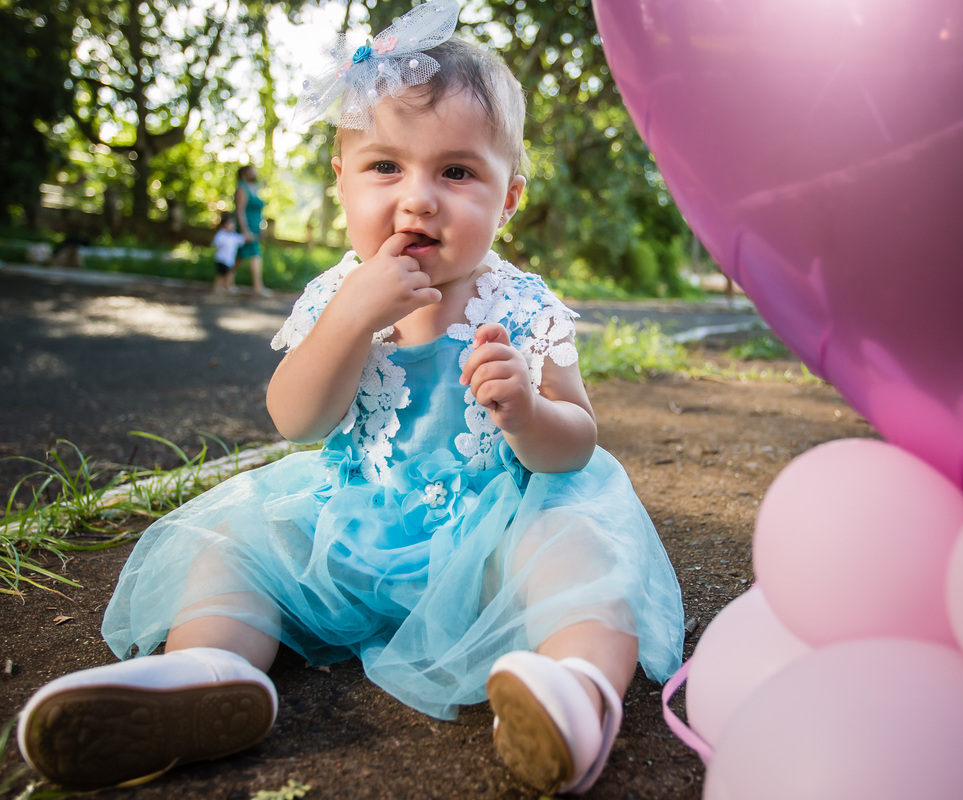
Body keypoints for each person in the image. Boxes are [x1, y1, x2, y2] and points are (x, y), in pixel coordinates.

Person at [16, 3, 684, 796]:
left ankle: (573, 691)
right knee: (233, 544)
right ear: (342, 179)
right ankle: (205, 669)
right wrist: (350, 319)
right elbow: (295, 418)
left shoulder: (523, 306)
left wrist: (530, 416)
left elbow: (577, 442)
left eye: (457, 172)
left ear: (508, 199)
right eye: (385, 167)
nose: (419, 199)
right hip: (351, 531)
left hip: (489, 551)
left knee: (581, 544)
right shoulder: (337, 294)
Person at [234, 163, 269, 295]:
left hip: (255, 227)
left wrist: (262, 226)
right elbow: (240, 211)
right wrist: (244, 231)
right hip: (246, 227)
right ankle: (258, 287)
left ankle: (225, 282)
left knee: (239, 256)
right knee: (254, 254)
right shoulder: (242, 189)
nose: (255, 173)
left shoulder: (254, 188)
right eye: (252, 171)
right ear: (245, 174)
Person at [212, 213, 245, 292]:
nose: (232, 225)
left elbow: (243, 239)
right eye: (230, 223)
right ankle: (219, 287)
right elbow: (215, 244)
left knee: (228, 273)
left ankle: (226, 286)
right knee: (222, 274)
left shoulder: (234, 236)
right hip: (221, 259)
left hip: (229, 260)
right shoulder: (221, 234)